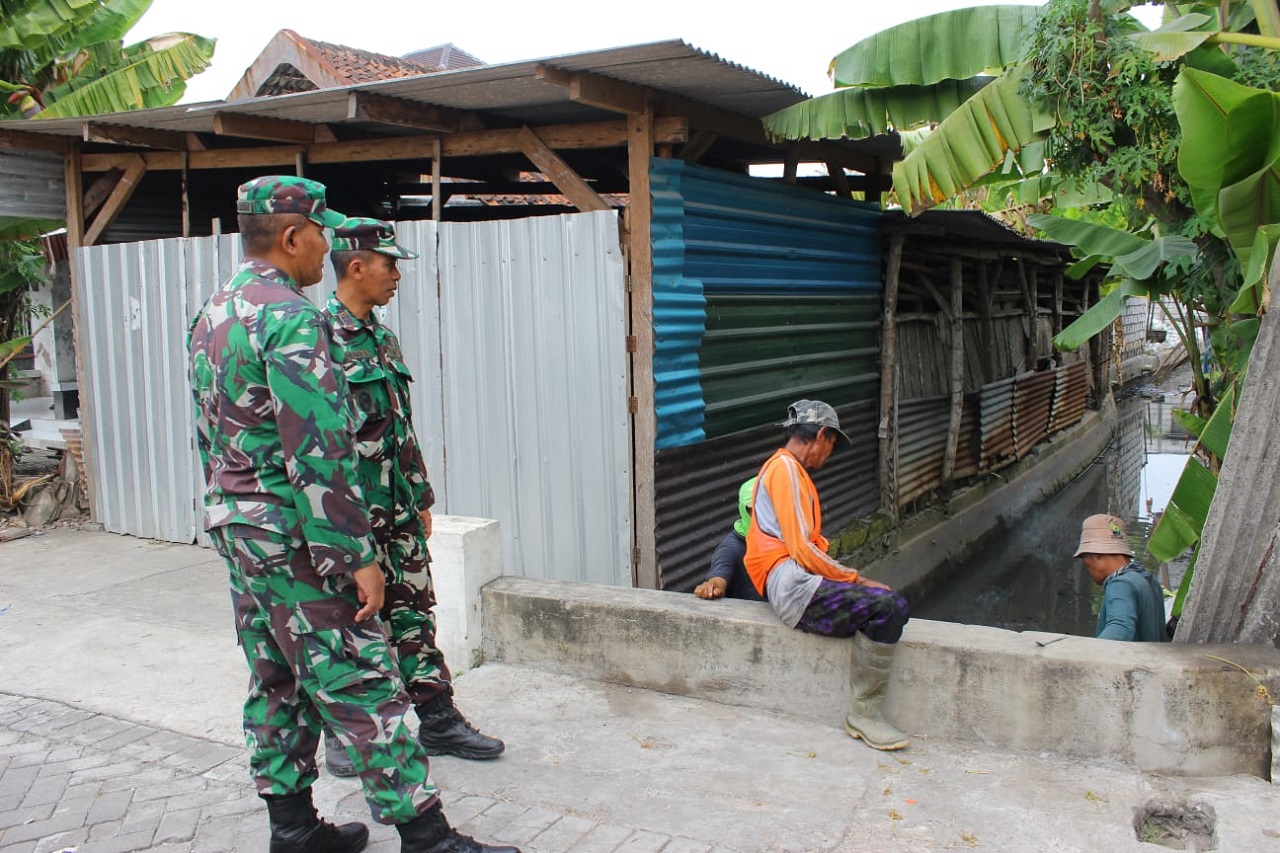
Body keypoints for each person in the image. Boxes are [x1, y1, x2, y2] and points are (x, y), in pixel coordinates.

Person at [188, 175, 518, 853]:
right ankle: (427, 837)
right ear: (291, 236)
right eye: (318, 233)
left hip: (239, 528)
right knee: (361, 676)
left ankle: (293, 827)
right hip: (294, 534)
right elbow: (317, 451)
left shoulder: (213, 312)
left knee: (276, 676)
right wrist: (355, 555)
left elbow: (208, 435)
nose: (324, 246)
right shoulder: (289, 315)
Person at [321, 217, 504, 778]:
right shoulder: (318, 339)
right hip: (351, 517)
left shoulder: (381, 335)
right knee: (348, 622)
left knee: (414, 611)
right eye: (390, 264)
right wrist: (343, 530)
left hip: (397, 509)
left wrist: (421, 495)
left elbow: (401, 427)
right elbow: (318, 447)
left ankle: (438, 718)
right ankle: (343, 734)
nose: (397, 275)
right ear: (357, 266)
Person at [745, 400, 911, 751]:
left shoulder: (785, 470)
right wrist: (856, 578)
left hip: (791, 585)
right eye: (831, 446)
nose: (828, 456)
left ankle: (865, 713)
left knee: (884, 606)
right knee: (890, 607)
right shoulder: (786, 470)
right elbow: (803, 551)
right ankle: (864, 714)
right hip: (793, 588)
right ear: (821, 436)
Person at [1074, 513, 1169, 642]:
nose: (1089, 570)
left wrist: (1087, 654)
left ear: (1096, 555)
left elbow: (1120, 629)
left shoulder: (1120, 585)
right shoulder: (1148, 580)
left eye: (1086, 563)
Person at [694, 477, 765, 601]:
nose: (764, 514)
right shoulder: (731, 548)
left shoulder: (782, 538)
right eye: (756, 509)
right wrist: (712, 586)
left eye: (768, 507)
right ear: (745, 511)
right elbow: (719, 576)